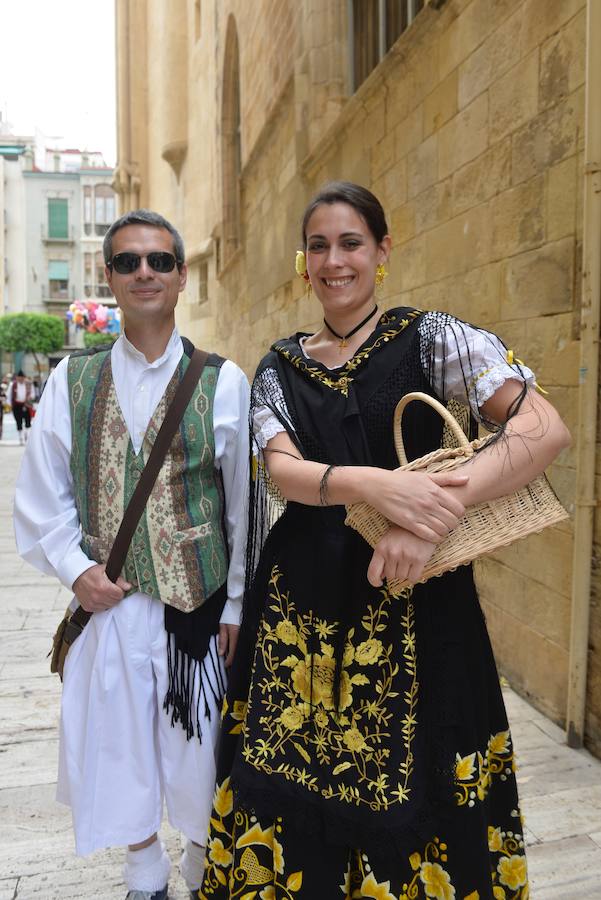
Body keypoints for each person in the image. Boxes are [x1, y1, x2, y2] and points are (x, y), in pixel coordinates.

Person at [199, 182, 570, 900]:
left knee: (427, 771)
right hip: (305, 610)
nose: (333, 261)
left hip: (420, 599)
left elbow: (541, 429)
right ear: (302, 264)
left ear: (381, 252)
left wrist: (426, 515)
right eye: (317, 246)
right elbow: (281, 472)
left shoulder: (434, 338)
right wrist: (372, 487)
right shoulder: (277, 365)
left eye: (349, 243)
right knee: (297, 778)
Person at [14, 209, 250, 900]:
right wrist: (75, 569)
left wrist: (235, 599)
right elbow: (41, 492)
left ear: (180, 276)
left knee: (199, 751)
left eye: (157, 261)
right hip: (111, 607)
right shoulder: (72, 381)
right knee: (116, 744)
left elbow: (241, 507)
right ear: (109, 278)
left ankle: (202, 861)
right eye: (127, 262)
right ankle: (144, 869)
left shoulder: (222, 381)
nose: (143, 272)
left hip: (197, 611)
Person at [7, 370, 33, 444]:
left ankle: (27, 436)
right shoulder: (13, 385)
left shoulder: (28, 384)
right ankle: (20, 437)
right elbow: (9, 395)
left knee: (28, 420)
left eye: (22, 378)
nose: (21, 379)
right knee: (19, 421)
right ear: (17, 378)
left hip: (26, 405)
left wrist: (30, 397)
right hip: (17, 405)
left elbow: (33, 394)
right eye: (19, 378)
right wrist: (10, 405)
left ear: (24, 378)